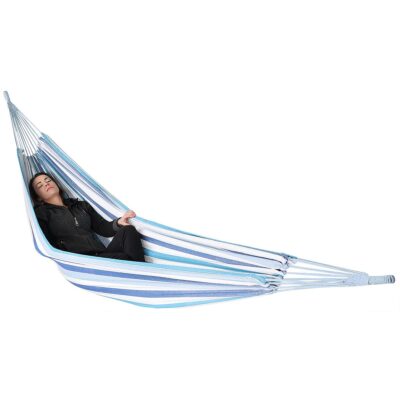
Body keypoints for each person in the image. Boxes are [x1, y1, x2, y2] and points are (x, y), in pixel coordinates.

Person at [28, 171, 146, 262]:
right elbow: (48, 245)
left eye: (48, 180)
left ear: (56, 183)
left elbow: (103, 228)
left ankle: (139, 273)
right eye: (40, 185)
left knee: (128, 229)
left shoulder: (80, 205)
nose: (46, 183)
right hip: (82, 262)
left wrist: (119, 222)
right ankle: (140, 273)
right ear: (38, 197)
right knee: (125, 258)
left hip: (102, 256)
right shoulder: (41, 214)